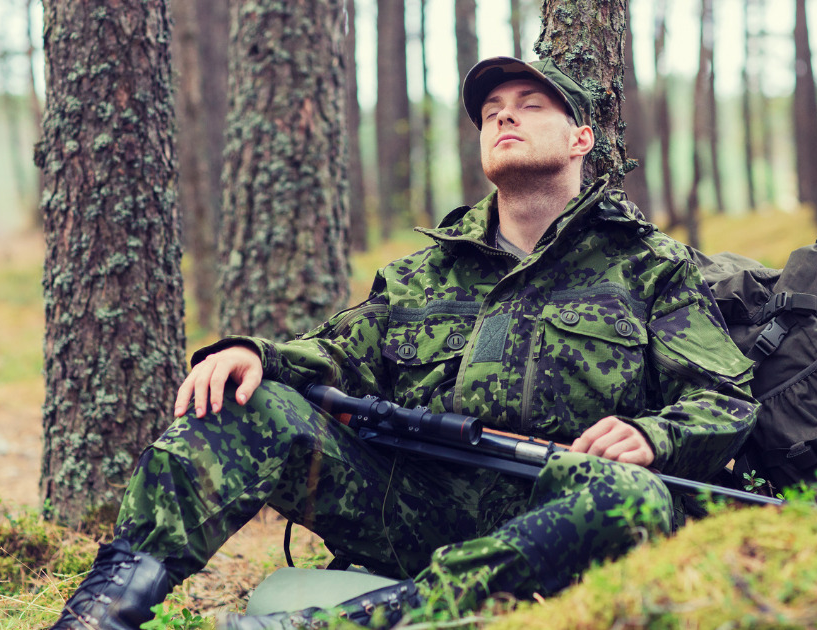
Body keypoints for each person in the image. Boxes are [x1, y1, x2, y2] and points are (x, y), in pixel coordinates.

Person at [49, 56, 758, 630]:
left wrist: (650, 437)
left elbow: (723, 400)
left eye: (530, 104)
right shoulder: (423, 275)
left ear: (582, 140)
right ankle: (99, 613)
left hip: (562, 517)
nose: (504, 115)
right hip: (417, 511)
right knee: (245, 403)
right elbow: (335, 353)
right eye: (491, 111)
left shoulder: (648, 266)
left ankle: (362, 622)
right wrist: (254, 355)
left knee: (630, 496)